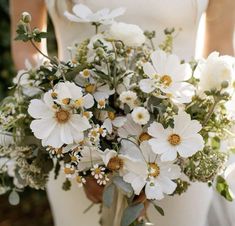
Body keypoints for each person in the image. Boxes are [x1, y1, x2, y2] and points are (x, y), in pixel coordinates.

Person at [10, 1, 235, 226]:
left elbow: (220, 48)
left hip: (180, 152)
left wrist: (182, 142)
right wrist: (83, 156)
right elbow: (26, 47)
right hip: (71, 146)